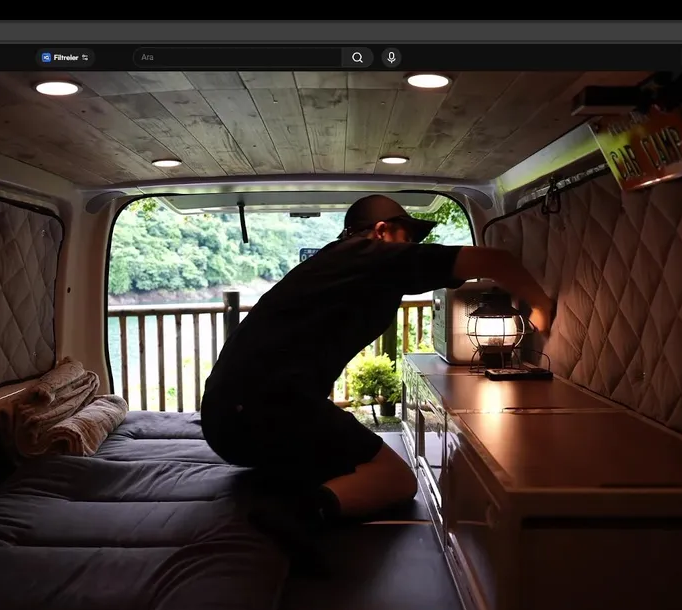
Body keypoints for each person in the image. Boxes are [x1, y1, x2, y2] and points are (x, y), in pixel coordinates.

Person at [199, 194, 553, 570]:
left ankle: (293, 497)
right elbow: (495, 260)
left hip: (225, 422)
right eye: (407, 239)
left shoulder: (338, 262)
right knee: (397, 479)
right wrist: (541, 307)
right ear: (382, 231)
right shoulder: (368, 255)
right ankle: (298, 515)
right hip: (264, 411)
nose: (410, 249)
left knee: (345, 465)